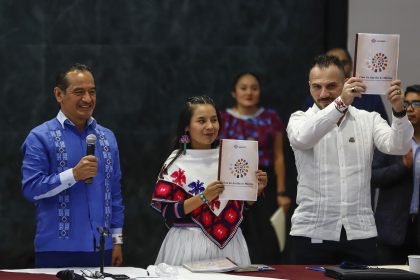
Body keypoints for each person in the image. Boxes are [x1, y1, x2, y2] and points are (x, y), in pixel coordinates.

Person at [287, 54, 413, 265]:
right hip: (312, 230)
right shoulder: (299, 119)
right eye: (316, 86)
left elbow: (398, 146)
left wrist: (399, 110)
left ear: (346, 82)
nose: (324, 93)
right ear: (309, 86)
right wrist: (341, 103)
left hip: (360, 232)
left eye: (331, 86)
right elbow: (303, 138)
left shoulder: (368, 118)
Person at [21, 63, 125, 268]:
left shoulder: (107, 137)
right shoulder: (39, 137)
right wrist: (73, 175)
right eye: (79, 92)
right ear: (59, 94)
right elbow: (30, 190)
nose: (87, 99)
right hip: (56, 250)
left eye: (92, 92)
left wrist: (117, 240)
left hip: (102, 249)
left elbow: (114, 193)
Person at [151, 95, 267, 266]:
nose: (210, 126)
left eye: (214, 120)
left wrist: (256, 190)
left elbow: (242, 206)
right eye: (201, 121)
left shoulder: (231, 156)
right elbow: (169, 212)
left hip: (230, 245)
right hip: (188, 245)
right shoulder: (176, 162)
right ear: (186, 127)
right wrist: (203, 197)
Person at [219, 72, 291, 263]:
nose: (248, 92)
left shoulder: (271, 118)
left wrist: (282, 192)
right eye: (243, 88)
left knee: (266, 240)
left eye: (254, 88)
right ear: (234, 92)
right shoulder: (223, 119)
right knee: (234, 233)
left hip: (264, 184)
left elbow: (279, 157)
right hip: (232, 185)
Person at [372, 84, 420, 264]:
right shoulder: (393, 139)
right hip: (392, 230)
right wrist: (401, 167)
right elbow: (373, 177)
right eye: (406, 103)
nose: (410, 108)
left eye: (417, 103)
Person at [304, 48, 389, 122]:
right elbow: (305, 132)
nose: (324, 93)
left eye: (343, 63)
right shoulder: (317, 96)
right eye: (333, 64)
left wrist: (398, 112)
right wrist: (342, 102)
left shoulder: (370, 95)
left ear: (351, 64)